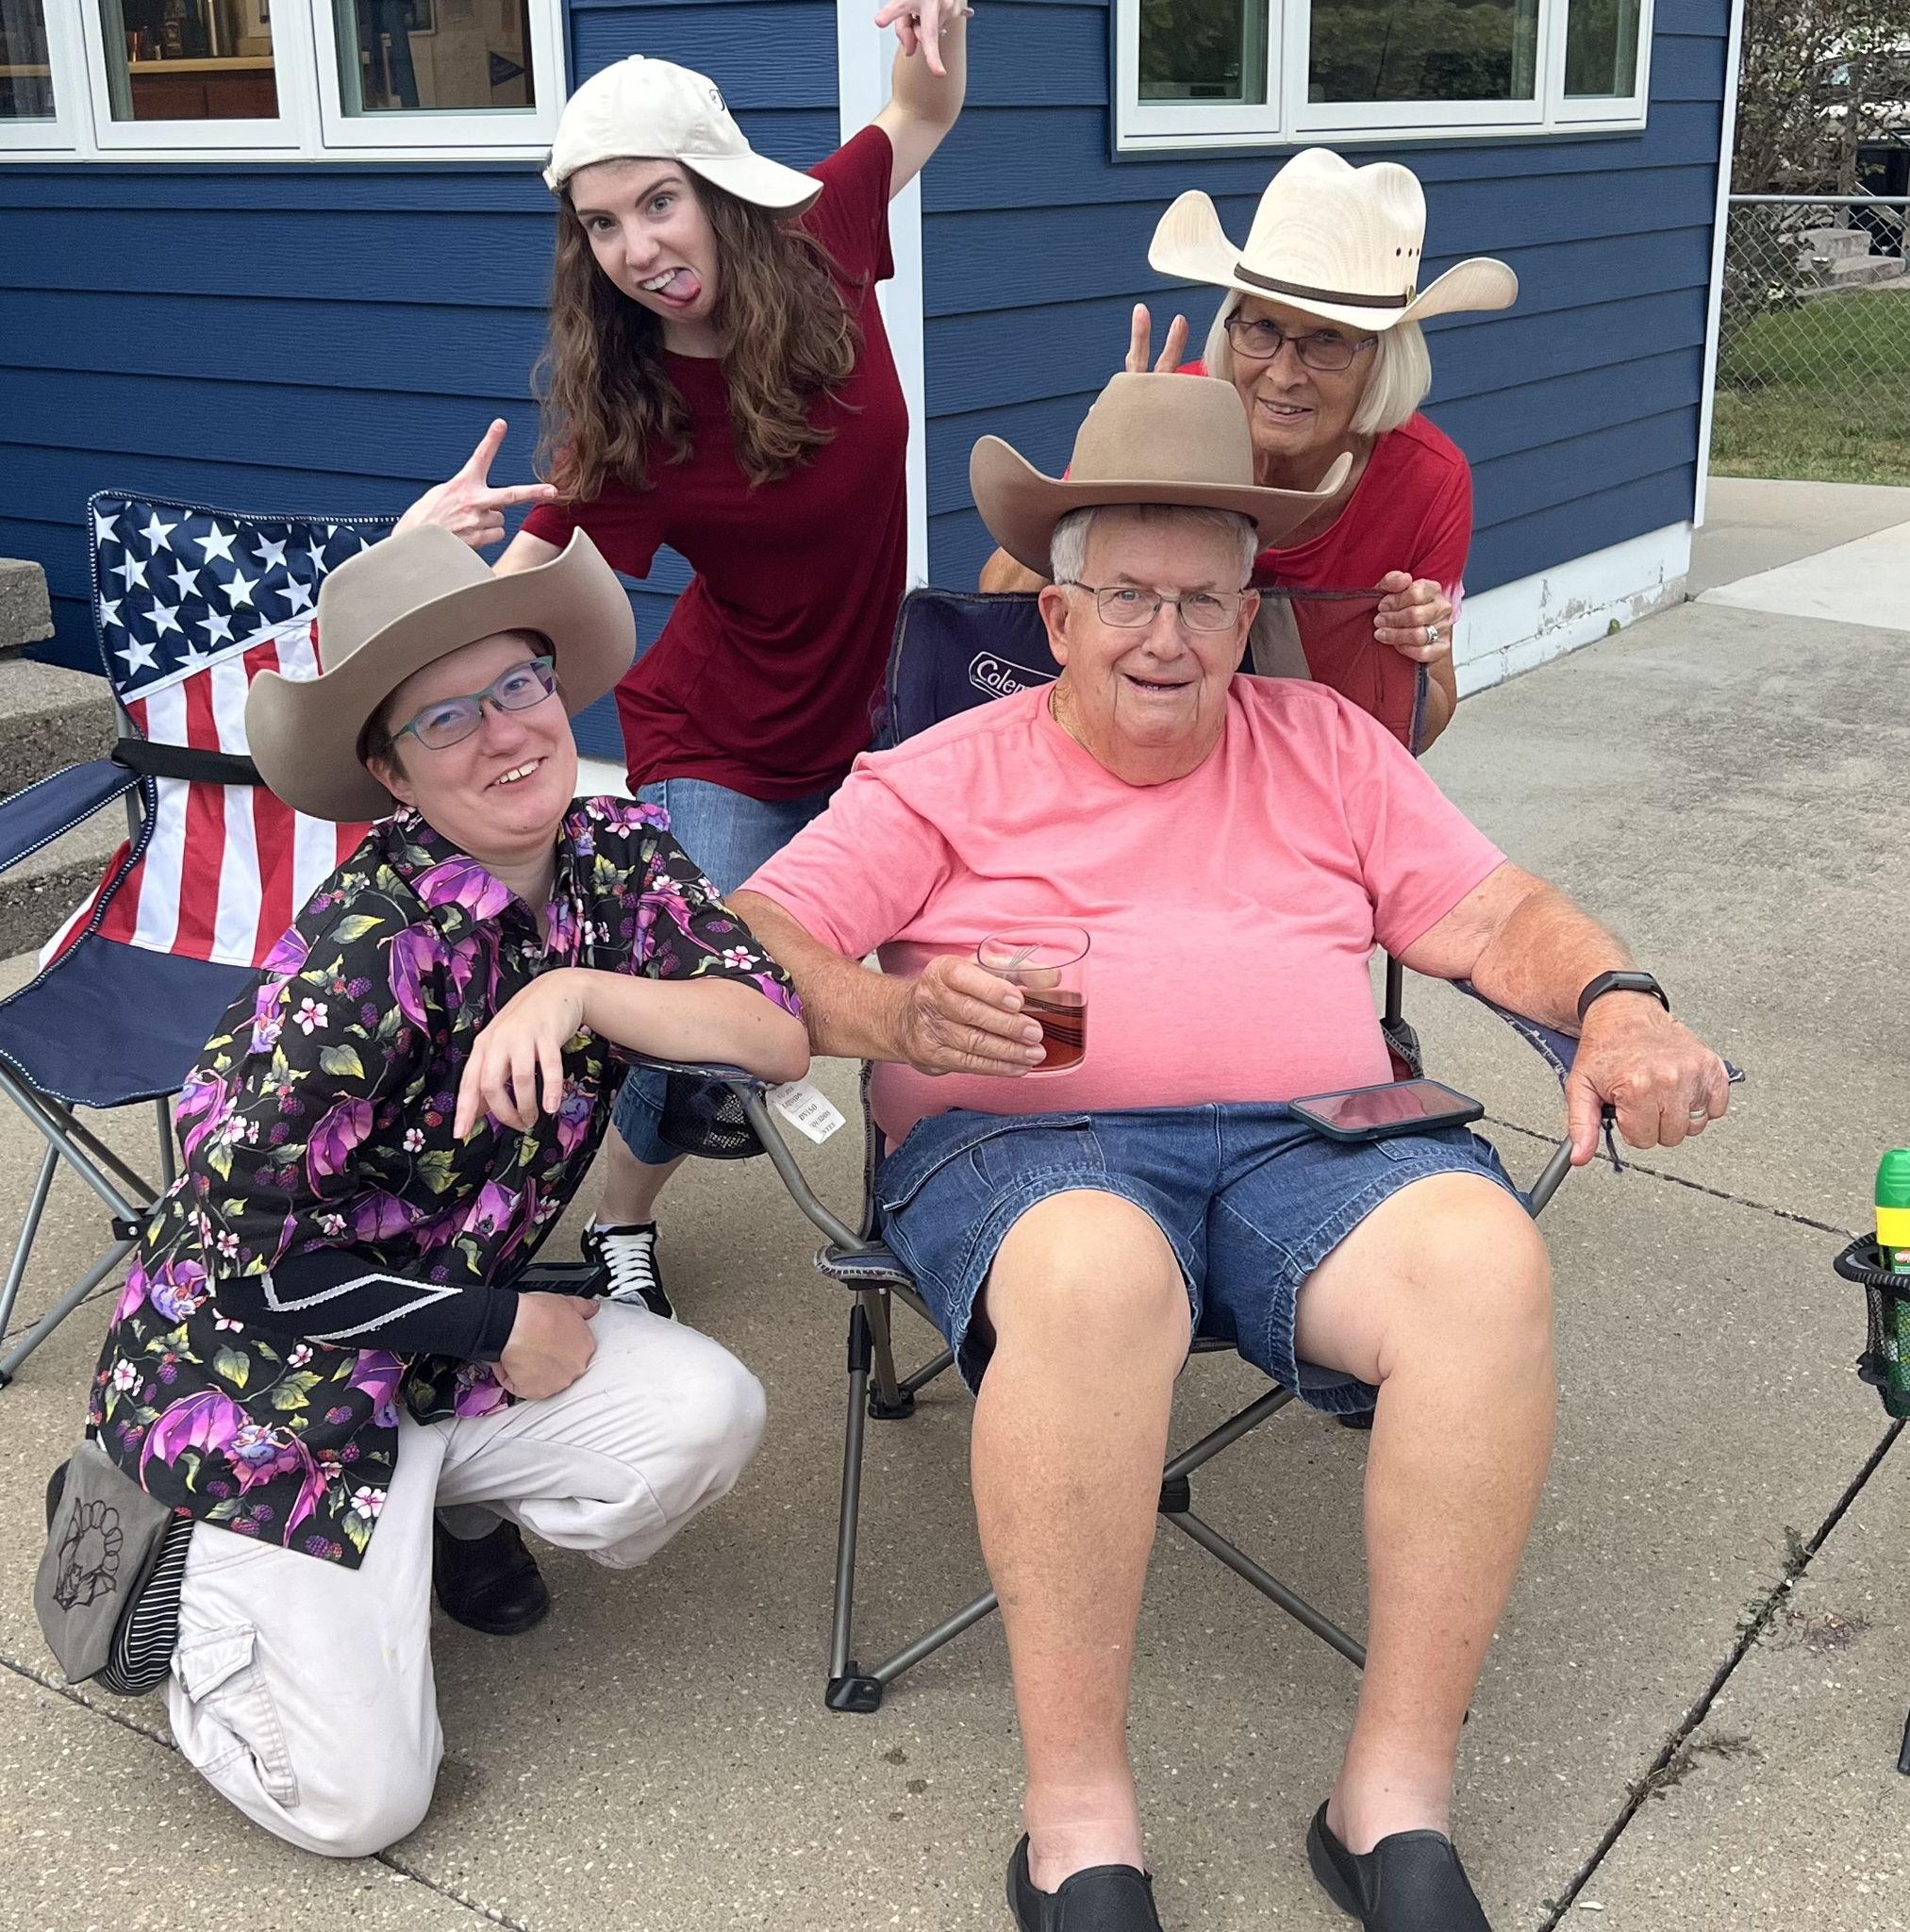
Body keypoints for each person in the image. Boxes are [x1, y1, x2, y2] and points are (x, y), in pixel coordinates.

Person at [729, 374, 1730, 1931]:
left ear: (1246, 611)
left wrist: (1618, 1003)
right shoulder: (939, 773)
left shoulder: (1325, 741)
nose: (1166, 636)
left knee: (1483, 1262)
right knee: (1091, 1271)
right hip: (1024, 1150)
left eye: (1204, 600)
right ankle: (1077, 1822)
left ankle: (1390, 1803)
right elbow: (755, 938)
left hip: (1309, 1148)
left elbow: (1500, 916)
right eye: (1126, 594)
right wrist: (896, 1011)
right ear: (1056, 616)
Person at [81, 526, 809, 1857]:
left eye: (520, 684)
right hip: (266, 1386)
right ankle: (186, 1587)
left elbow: (773, 1033)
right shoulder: (361, 960)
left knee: (710, 1412)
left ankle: (439, 1502)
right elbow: (248, 1270)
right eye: (447, 717)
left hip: (434, 1351)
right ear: (391, 771)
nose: (505, 731)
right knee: (358, 1807)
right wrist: (495, 1326)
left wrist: (575, 990)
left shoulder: (614, 852)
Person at [395, 6, 972, 1318]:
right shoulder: (629, 413)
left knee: (925, 980)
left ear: (716, 189)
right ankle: (623, 1221)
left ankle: (939, 1208)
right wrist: (417, 556)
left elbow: (920, 110)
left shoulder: (823, 233)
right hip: (726, 738)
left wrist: (936, 31)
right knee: (692, 1001)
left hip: (881, 720)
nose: (639, 248)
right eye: (603, 224)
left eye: (658, 203)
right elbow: (509, 610)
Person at [981, 147, 1519, 754]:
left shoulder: (1428, 480)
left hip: (1308, 770)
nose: (1283, 374)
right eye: (1263, 328)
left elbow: (1423, 724)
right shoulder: (1176, 404)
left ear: (1384, 360)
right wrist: (1106, 467)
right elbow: (997, 602)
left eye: (1327, 340)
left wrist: (1420, 645)